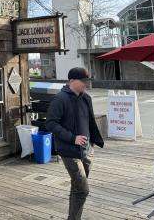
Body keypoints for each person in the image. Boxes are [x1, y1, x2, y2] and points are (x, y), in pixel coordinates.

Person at [46, 67, 104, 220]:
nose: (86, 84)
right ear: (71, 81)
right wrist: (73, 138)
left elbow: (90, 121)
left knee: (77, 187)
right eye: (83, 81)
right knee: (83, 189)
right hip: (69, 152)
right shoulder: (60, 99)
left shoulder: (87, 98)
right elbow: (51, 124)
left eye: (87, 81)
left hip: (87, 151)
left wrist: (93, 143)